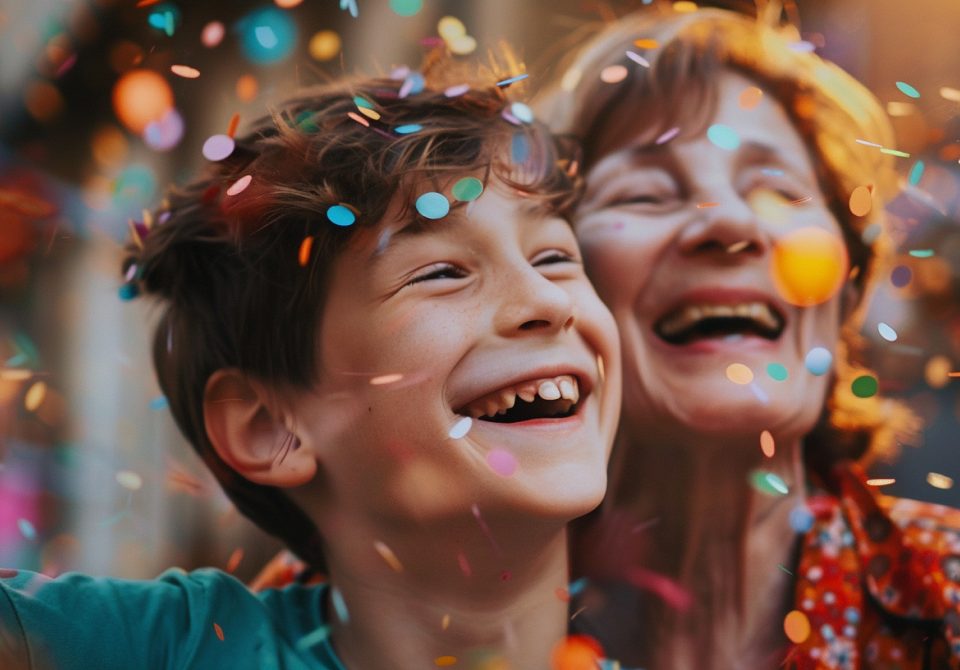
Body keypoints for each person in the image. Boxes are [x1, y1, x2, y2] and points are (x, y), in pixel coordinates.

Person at [534, 6, 960, 670]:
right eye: (644, 196)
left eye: (778, 189)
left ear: (845, 293)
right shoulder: (449, 609)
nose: (732, 222)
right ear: (551, 283)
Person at [0, 62, 622, 670]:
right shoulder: (165, 649)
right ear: (271, 425)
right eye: (440, 272)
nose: (548, 300)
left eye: (556, 257)